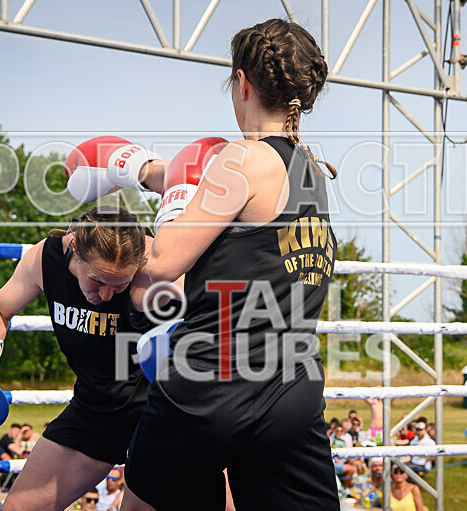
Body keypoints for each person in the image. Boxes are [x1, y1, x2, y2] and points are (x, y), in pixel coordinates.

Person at [123, 18, 338, 510]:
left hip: (211, 382)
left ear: (242, 81)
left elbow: (161, 261)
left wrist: (175, 194)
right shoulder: (313, 172)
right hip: (294, 390)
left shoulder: (241, 158)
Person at [0, 203, 182, 511]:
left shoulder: (159, 263)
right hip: (95, 410)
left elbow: (226, 311)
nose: (106, 295)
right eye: (97, 280)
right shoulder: (46, 260)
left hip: (159, 415)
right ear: (77, 247)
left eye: (118, 284)